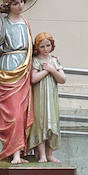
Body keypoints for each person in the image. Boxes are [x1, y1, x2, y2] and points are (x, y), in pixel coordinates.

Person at [0, 0, 33, 163]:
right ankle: (12, 151)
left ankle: (20, 153)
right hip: (8, 69)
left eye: (22, 1)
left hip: (25, 69)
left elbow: (32, 47)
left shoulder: (26, 23)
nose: (20, 5)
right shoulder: (4, 22)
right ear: (9, 4)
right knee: (12, 113)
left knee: (22, 112)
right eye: (16, 2)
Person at [28, 31, 66, 163]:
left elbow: (62, 79)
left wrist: (52, 69)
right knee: (41, 123)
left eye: (48, 46)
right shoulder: (36, 61)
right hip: (40, 98)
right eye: (42, 46)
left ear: (52, 46)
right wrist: (46, 71)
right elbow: (33, 78)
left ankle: (50, 154)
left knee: (52, 123)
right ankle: (42, 154)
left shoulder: (54, 60)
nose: (45, 49)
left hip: (51, 98)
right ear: (37, 47)